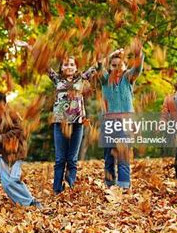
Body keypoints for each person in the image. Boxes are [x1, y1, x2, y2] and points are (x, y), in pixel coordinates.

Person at [48, 56, 97, 194]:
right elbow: (44, 64)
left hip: (77, 123)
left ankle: (70, 188)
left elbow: (97, 66)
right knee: (60, 159)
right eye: (65, 65)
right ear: (61, 68)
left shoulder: (81, 79)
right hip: (60, 122)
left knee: (72, 159)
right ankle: (57, 190)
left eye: (71, 64)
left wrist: (113, 54)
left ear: (76, 67)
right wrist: (31, 48)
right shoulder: (57, 80)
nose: (68, 67)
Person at [100, 44, 144, 189]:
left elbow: (137, 68)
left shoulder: (127, 78)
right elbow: (98, 64)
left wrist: (139, 55)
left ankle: (124, 185)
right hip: (108, 123)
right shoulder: (105, 80)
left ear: (125, 67)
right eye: (113, 65)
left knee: (123, 154)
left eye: (120, 65)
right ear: (109, 67)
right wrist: (111, 54)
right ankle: (110, 185)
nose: (117, 68)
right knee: (109, 156)